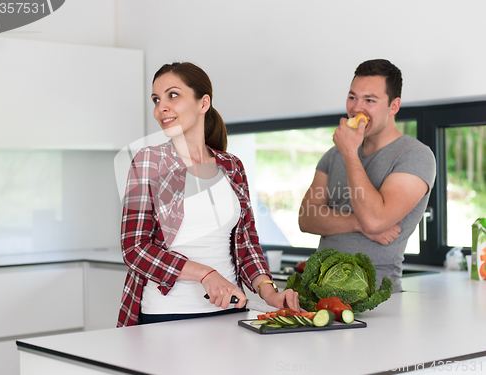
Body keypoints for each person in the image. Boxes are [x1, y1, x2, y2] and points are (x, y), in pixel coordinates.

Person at [117, 62, 300, 327]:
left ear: (203, 104)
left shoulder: (232, 166)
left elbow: (246, 242)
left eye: (173, 95)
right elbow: (135, 248)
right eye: (157, 99)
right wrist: (205, 274)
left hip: (229, 312)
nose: (161, 108)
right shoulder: (149, 162)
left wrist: (270, 293)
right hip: (167, 314)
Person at [298, 59, 436, 293]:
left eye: (369, 100)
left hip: (376, 297)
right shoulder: (333, 155)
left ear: (394, 106)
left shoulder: (415, 156)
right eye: (353, 97)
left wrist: (350, 153)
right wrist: (357, 224)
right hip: (318, 291)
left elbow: (375, 219)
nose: (356, 108)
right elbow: (307, 218)